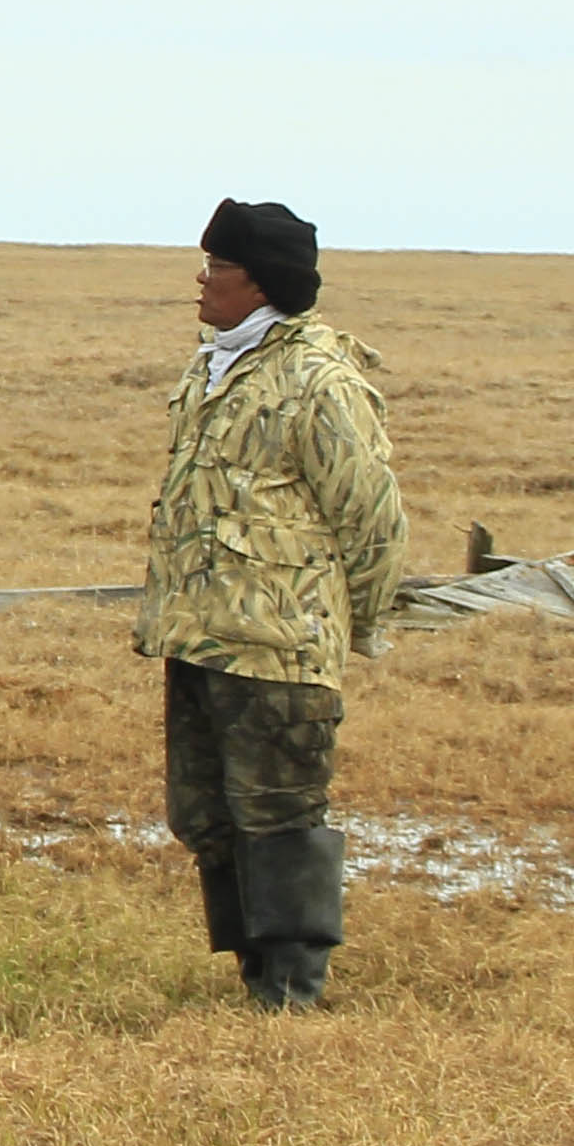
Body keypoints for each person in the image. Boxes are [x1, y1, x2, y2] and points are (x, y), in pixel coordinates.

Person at [143, 199, 404, 1007]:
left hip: (281, 643)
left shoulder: (319, 381)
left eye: (217, 268)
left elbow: (371, 516)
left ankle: (293, 986)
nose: (201, 280)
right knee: (207, 812)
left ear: (258, 286)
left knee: (281, 811)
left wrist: (346, 624)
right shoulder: (211, 367)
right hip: (201, 637)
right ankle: (254, 970)